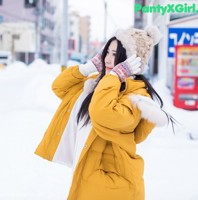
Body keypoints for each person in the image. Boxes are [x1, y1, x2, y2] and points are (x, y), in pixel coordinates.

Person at [35, 25, 172, 200]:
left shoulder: (136, 95)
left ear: (131, 60)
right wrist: (87, 68)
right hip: (92, 176)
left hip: (113, 182)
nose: (107, 59)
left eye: (115, 55)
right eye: (107, 52)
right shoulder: (98, 84)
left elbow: (102, 114)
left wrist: (114, 76)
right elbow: (59, 88)